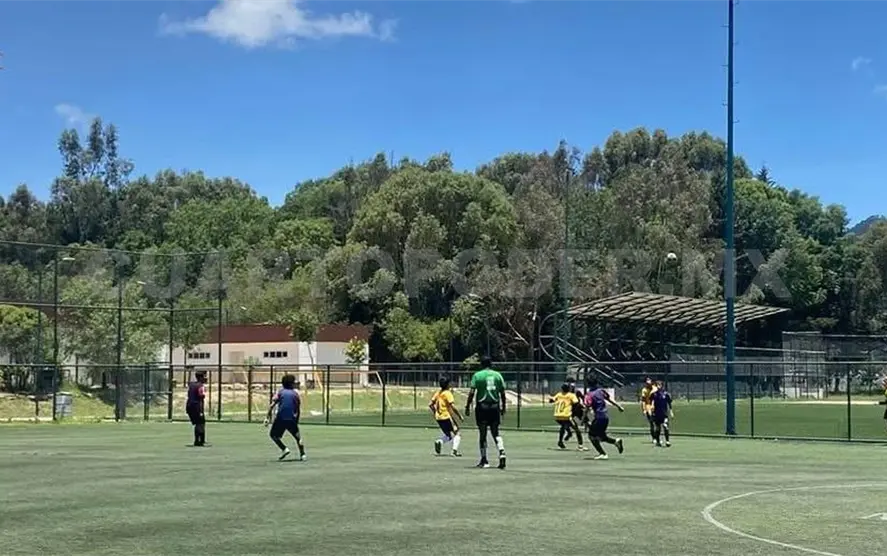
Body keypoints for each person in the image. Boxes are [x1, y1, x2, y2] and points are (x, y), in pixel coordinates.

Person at [464, 356, 507, 469]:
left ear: (481, 364)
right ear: (491, 364)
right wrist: (503, 407)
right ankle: (502, 451)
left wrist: (468, 406)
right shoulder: (498, 375)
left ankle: (484, 460)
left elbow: (472, 392)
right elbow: (502, 393)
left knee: (483, 434)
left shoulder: (477, 375)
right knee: (495, 432)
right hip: (494, 406)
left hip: (482, 407)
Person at [264, 374, 307, 461]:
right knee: (298, 437)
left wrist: (267, 418)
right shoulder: (295, 394)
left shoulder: (280, 392)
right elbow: (297, 409)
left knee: (273, 435)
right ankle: (303, 454)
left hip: (280, 418)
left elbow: (272, 405)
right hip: (291, 418)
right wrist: (296, 420)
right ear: (292, 384)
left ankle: (284, 449)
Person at [583, 377, 625, 460]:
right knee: (601, 436)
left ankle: (603, 454)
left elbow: (587, 407)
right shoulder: (601, 391)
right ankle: (616, 441)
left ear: (588, 384)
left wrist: (583, 418)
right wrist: (619, 406)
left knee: (591, 436)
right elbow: (609, 399)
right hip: (605, 417)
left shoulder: (589, 395)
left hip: (599, 417)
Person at [429, 377, 463, 457]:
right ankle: (454, 451)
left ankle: (439, 441)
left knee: (448, 435)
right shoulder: (448, 393)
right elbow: (452, 406)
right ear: (447, 384)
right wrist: (459, 416)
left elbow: (430, 404)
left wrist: (435, 412)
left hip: (439, 418)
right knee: (457, 433)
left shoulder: (438, 393)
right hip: (446, 416)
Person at [550, 383, 586, 451]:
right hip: (566, 415)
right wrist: (582, 407)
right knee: (576, 429)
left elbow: (551, 400)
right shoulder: (571, 395)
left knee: (563, 427)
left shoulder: (559, 394)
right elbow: (576, 404)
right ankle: (580, 446)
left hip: (557, 416)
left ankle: (560, 441)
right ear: (569, 389)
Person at [186, 370, 208, 447]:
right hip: (196, 406)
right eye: (204, 376)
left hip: (189, 406)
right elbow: (201, 396)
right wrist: (201, 410)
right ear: (201, 377)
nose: (206, 378)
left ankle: (199, 440)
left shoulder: (191, 385)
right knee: (200, 423)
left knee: (198, 423)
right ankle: (199, 441)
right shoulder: (200, 386)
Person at [650, 380, 674, 447]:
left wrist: (671, 412)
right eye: (657, 385)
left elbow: (669, 403)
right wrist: (652, 407)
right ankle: (658, 441)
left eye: (660, 385)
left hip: (664, 414)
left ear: (662, 386)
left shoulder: (666, 394)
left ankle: (667, 441)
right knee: (658, 428)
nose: (658, 386)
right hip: (657, 414)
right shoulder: (654, 394)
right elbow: (651, 401)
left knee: (665, 426)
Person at [640, 377, 658, 446]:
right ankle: (654, 438)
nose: (648, 384)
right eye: (647, 383)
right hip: (648, 406)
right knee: (652, 423)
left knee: (657, 423)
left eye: (649, 383)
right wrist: (644, 409)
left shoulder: (655, 389)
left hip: (656, 406)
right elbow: (643, 401)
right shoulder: (644, 390)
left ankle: (657, 437)